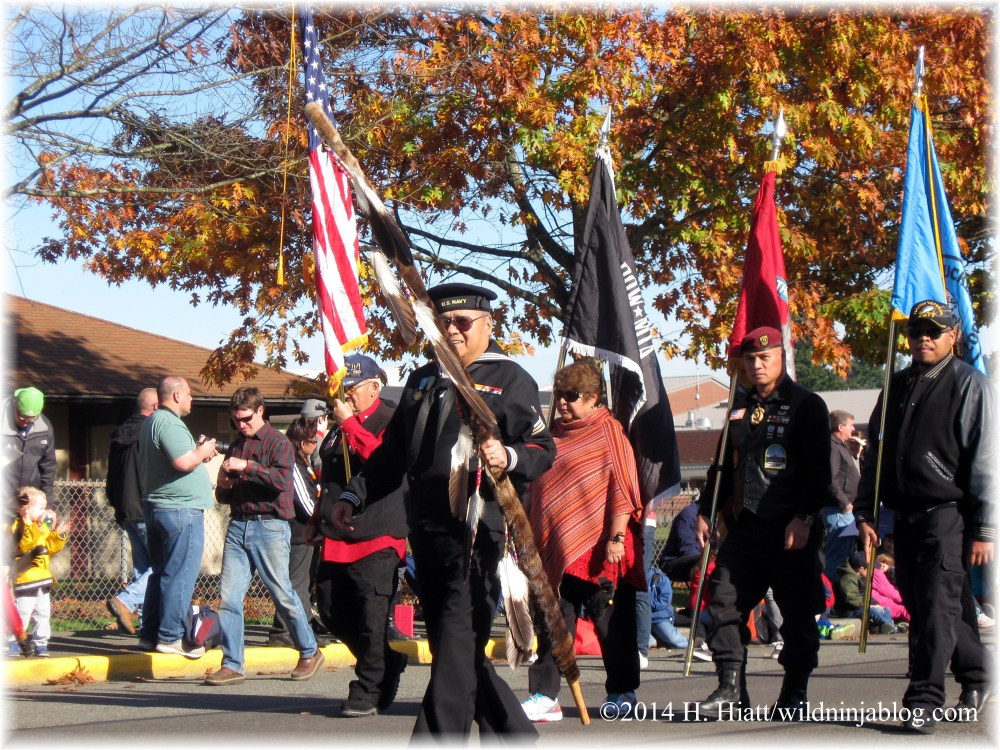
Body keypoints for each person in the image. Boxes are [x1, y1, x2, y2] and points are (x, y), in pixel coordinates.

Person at [332, 282, 555, 740]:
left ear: (487, 324)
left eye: (462, 322)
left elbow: (541, 448)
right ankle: (513, 735)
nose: (452, 330)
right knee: (457, 648)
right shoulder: (422, 379)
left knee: (455, 643)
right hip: (427, 531)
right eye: (443, 322)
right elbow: (391, 456)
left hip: (479, 532)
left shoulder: (510, 379)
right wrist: (352, 496)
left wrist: (507, 456)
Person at [855, 299, 995, 734]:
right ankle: (979, 675)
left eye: (934, 330)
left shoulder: (969, 384)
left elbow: (986, 459)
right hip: (905, 515)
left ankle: (924, 698)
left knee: (936, 605)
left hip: (949, 513)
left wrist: (985, 527)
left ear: (953, 335)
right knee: (928, 604)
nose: (924, 338)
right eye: (917, 331)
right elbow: (875, 455)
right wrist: (865, 511)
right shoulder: (894, 384)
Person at [694, 326, 830, 718]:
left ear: (782, 358)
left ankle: (795, 692)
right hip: (745, 526)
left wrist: (804, 518)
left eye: (765, 358)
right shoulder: (739, 407)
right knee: (723, 603)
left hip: (790, 528)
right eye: (751, 358)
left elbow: (819, 472)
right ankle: (730, 688)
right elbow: (721, 466)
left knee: (797, 614)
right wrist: (708, 510)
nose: (757, 365)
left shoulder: (806, 404)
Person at [520, 359, 644, 722]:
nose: (562, 402)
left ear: (593, 398)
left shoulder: (609, 433)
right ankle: (545, 696)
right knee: (553, 621)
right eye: (560, 394)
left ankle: (623, 691)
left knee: (609, 621)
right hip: (555, 547)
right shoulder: (551, 434)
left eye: (571, 396)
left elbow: (623, 486)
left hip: (599, 547)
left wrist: (617, 536)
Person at [309, 353, 409, 718]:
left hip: (378, 535)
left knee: (371, 615)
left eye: (352, 388)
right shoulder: (337, 427)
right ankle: (386, 660)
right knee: (332, 611)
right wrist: (315, 518)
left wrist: (351, 424)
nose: (345, 395)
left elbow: (384, 464)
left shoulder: (391, 418)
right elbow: (331, 477)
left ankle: (367, 687)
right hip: (337, 536)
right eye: (342, 389)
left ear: (374, 387)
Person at [207, 386, 323, 686]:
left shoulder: (279, 443)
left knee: (282, 593)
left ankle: (309, 651)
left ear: (260, 410)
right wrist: (224, 481)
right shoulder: (235, 445)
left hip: (270, 526)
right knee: (229, 598)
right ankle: (232, 663)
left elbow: (281, 480)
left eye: (245, 419)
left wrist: (248, 466)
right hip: (238, 525)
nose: (241, 425)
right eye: (236, 420)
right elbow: (222, 495)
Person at [136, 376, 217, 658]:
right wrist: (203, 451)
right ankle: (171, 637)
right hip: (179, 510)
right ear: (177, 396)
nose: (192, 399)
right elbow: (182, 462)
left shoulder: (152, 422)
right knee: (179, 573)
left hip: (159, 507)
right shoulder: (168, 422)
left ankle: (150, 633)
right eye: (190, 394)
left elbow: (180, 459)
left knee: (161, 572)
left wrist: (198, 454)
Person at [105, 387, 158, 635]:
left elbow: (111, 477)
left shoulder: (121, 433)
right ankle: (125, 601)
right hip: (146, 507)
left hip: (126, 509)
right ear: (155, 408)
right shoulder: (149, 432)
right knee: (161, 567)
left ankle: (147, 624)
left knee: (143, 568)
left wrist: (117, 505)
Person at [265, 415, 321, 649]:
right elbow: (304, 501)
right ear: (300, 442)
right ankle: (282, 630)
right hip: (299, 530)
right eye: (312, 441)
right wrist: (320, 518)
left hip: (306, 530)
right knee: (295, 581)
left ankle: (303, 625)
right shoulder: (295, 464)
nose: (315, 444)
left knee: (303, 581)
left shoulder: (303, 462)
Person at [8, 486, 71, 657]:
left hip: (42, 578)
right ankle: (14, 640)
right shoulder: (19, 526)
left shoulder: (39, 527)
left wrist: (58, 535)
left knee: (43, 613)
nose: (45, 512)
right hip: (25, 578)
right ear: (27, 509)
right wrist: (38, 526)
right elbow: (25, 545)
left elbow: (47, 548)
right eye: (41, 508)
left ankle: (40, 642)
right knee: (23, 611)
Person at [2, 387, 56, 517]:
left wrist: (48, 507)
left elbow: (47, 469)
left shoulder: (44, 428)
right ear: (14, 403)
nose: (26, 423)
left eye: (31, 419)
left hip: (29, 506)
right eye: (22, 418)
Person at [821, 410, 861, 584]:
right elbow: (831, 479)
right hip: (839, 512)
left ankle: (843, 597)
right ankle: (832, 599)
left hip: (845, 512)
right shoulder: (832, 447)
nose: (853, 429)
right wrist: (845, 504)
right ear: (840, 426)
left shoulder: (841, 446)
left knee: (845, 555)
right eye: (851, 425)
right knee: (836, 557)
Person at [832, 551, 894, 632]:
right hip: (849, 610)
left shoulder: (861, 576)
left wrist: (876, 604)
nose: (872, 570)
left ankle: (883, 627)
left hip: (860, 606)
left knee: (885, 609)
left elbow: (866, 595)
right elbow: (851, 598)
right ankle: (891, 627)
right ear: (861, 569)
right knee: (875, 611)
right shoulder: (847, 578)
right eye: (869, 568)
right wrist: (869, 606)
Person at [659, 498, 703, 582]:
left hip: (700, 557)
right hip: (673, 561)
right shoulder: (689, 515)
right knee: (705, 562)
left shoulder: (716, 516)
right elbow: (687, 550)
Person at [648, 565, 688, 650]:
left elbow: (664, 601)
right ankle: (656, 642)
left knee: (675, 640)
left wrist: (645, 603)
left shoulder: (659, 577)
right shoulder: (631, 578)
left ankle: (692, 644)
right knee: (643, 641)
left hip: (658, 618)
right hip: (640, 619)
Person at [871, 553, 909, 623]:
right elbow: (889, 592)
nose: (883, 565)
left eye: (887, 564)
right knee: (904, 610)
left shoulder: (875, 572)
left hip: (877, 599)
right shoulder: (877, 573)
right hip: (878, 601)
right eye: (882, 562)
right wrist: (905, 598)